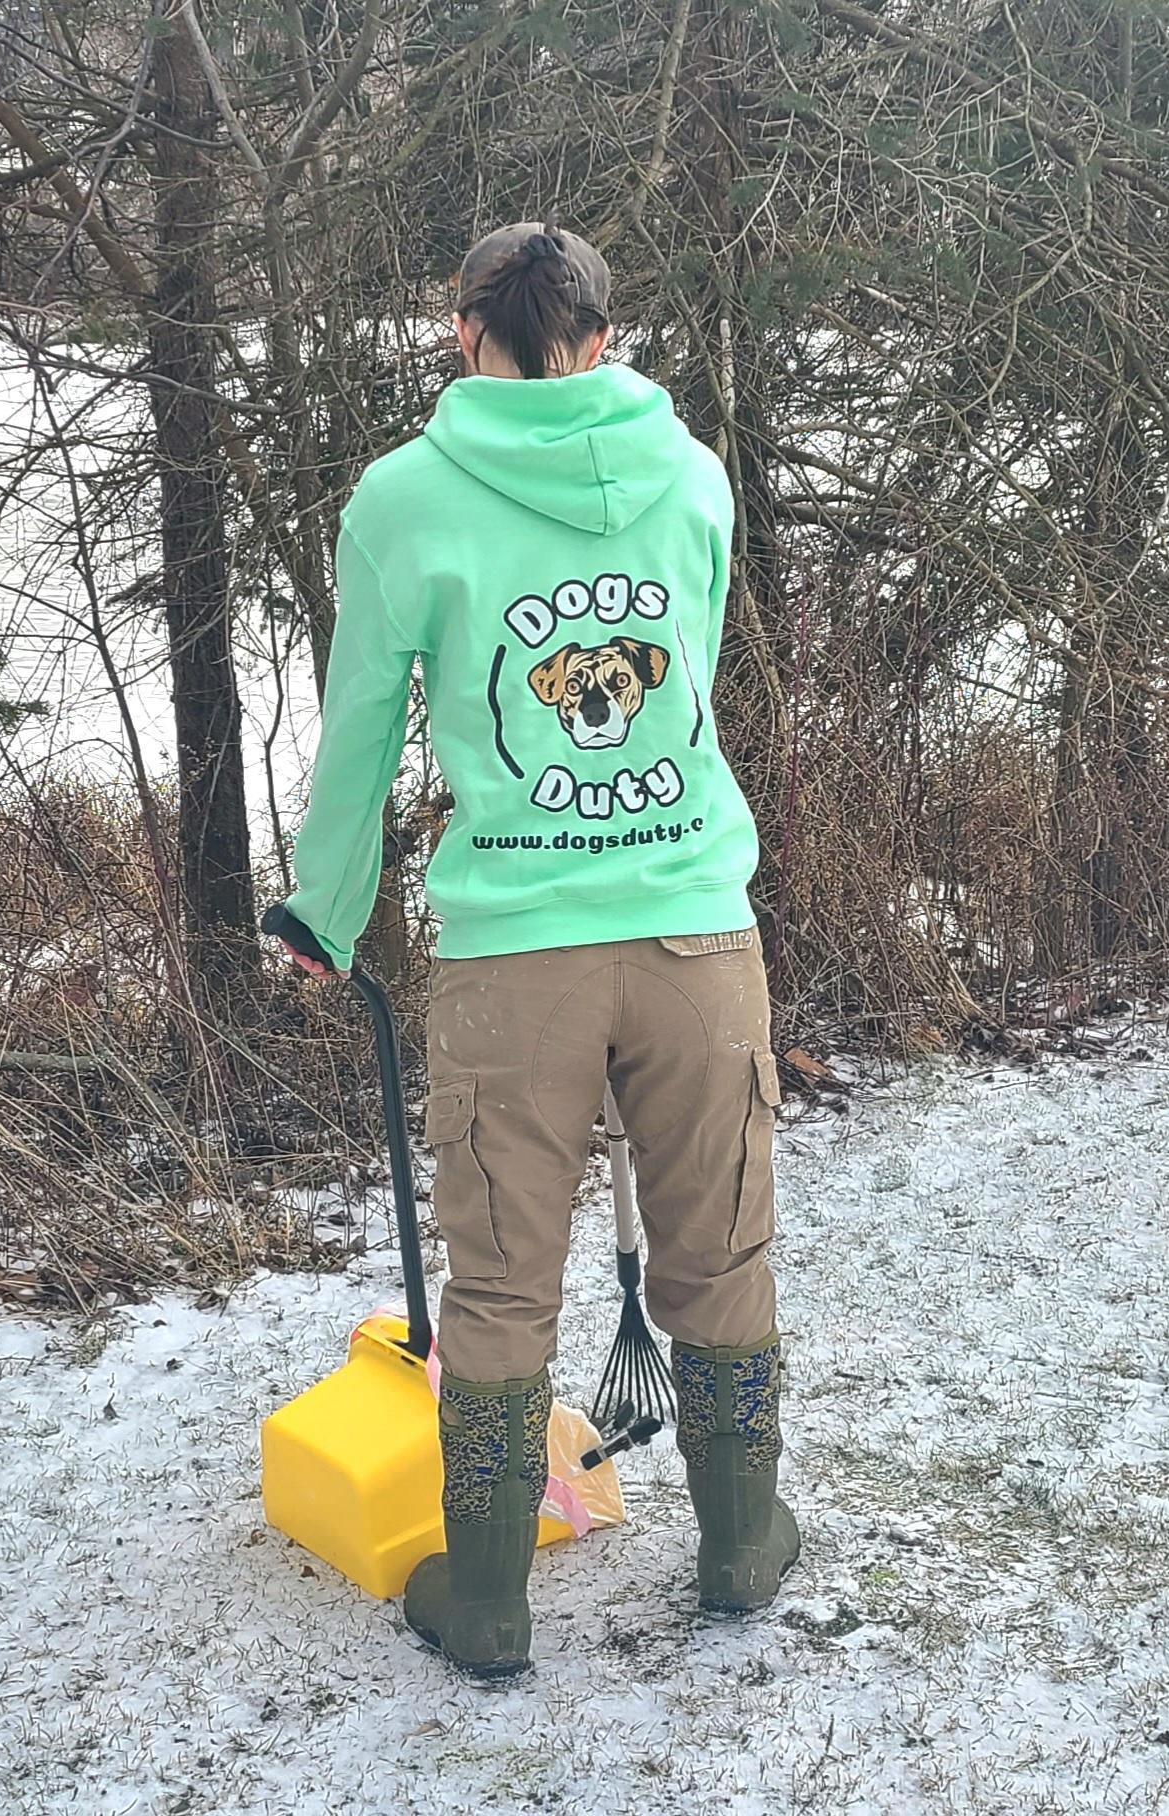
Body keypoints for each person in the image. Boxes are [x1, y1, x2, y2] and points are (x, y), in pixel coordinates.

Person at [275, 220, 797, 1679]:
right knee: (724, 1245)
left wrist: (327, 912)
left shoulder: (402, 499)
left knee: (501, 1280)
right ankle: (745, 1548)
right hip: (699, 929)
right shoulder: (694, 475)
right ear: (603, 338)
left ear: (462, 335)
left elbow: (362, 728)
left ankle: (490, 1600)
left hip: (516, 952)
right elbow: (687, 663)